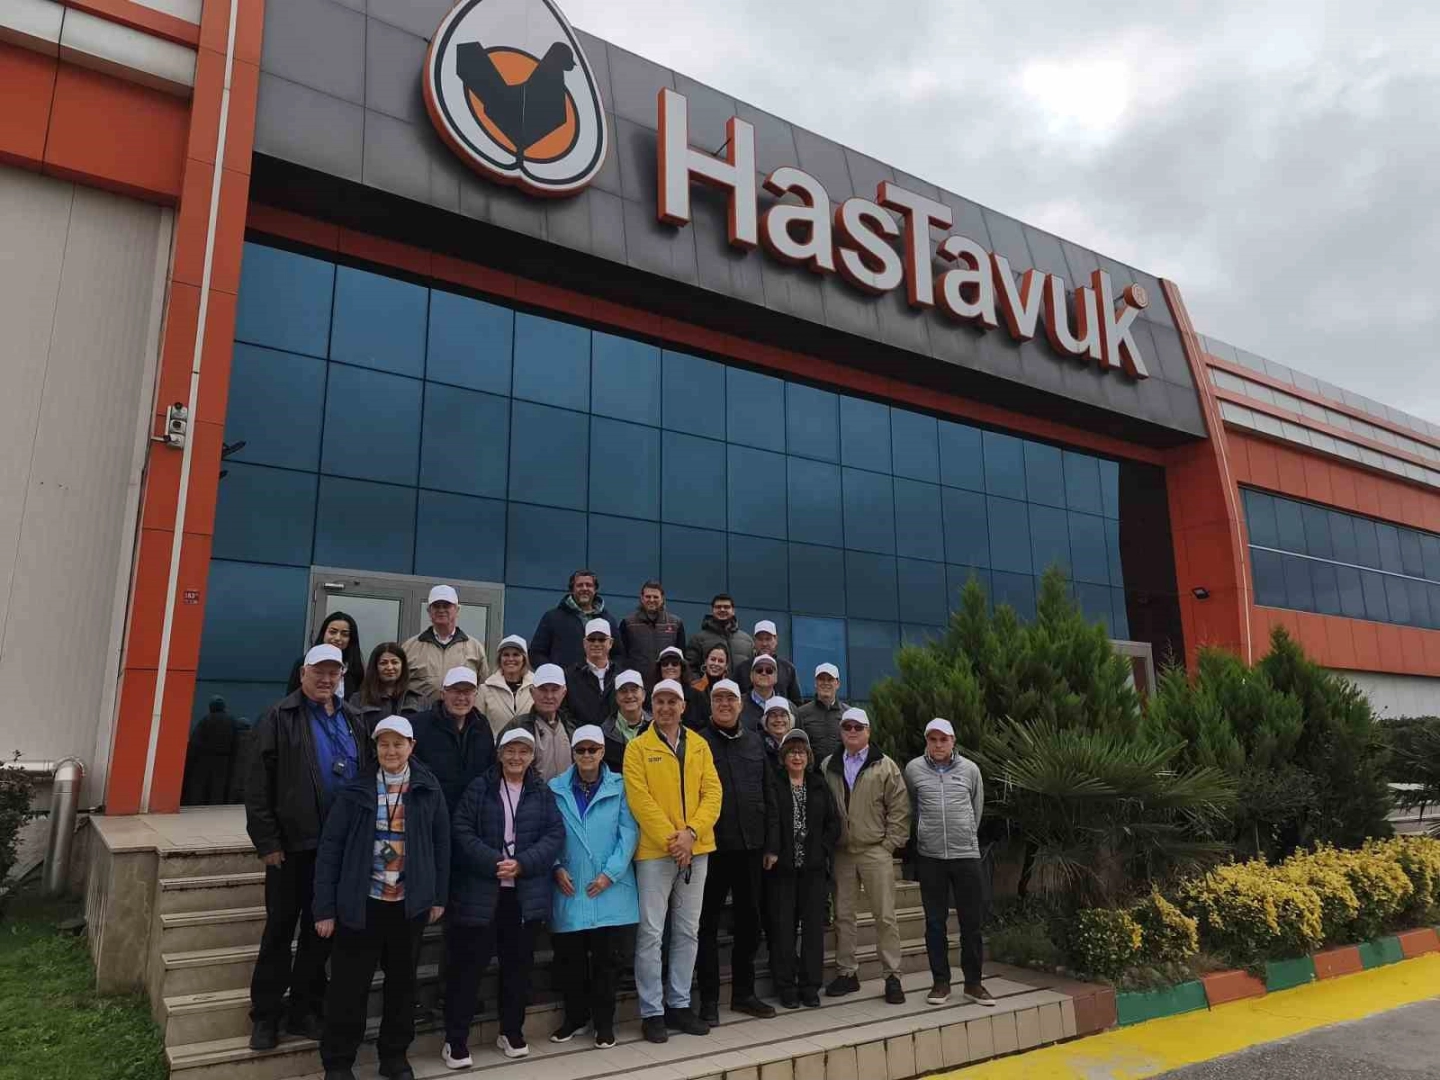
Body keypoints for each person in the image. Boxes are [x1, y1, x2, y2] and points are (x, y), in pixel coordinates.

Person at [244, 644, 370, 1050]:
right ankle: (266, 1014)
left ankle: (304, 1008)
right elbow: (257, 785)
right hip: (291, 846)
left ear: (342, 676)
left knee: (321, 934)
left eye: (334, 672)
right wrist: (267, 841)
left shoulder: (354, 718)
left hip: (337, 849)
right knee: (280, 930)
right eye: (319, 671)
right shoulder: (279, 717)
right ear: (303, 674)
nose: (326, 679)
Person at [313, 717, 449, 1080]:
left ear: (411, 747)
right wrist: (324, 908)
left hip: (407, 905)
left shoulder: (427, 788)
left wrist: (438, 896)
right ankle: (338, 1062)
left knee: (402, 986)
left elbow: (441, 844)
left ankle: (394, 1057)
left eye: (398, 744)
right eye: (384, 744)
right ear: (375, 748)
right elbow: (330, 849)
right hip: (362, 904)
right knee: (348, 988)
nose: (391, 751)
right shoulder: (356, 790)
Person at [443, 728, 565, 1065]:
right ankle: (456, 1039)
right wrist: (493, 861)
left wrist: (522, 863)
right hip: (483, 893)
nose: (516, 757)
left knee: (518, 968)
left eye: (523, 751)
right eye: (510, 750)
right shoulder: (479, 788)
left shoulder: (541, 791)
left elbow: (554, 834)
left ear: (532, 757)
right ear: (499, 754)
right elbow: (461, 829)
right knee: (469, 968)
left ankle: (511, 1030)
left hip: (523, 896)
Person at [622, 679, 723, 1043]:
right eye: (659, 701)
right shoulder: (637, 748)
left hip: (696, 849)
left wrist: (691, 833)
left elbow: (713, 793)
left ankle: (679, 1004)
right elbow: (640, 800)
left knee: (687, 931)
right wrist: (674, 840)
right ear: (652, 706)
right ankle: (652, 1011)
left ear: (683, 706)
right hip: (655, 853)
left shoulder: (699, 745)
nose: (665, 707)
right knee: (651, 933)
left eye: (672, 701)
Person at [547, 725, 640, 1050]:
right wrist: (555, 867)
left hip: (609, 888)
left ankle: (604, 1024)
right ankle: (575, 1018)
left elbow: (629, 833)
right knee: (570, 961)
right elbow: (546, 833)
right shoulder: (554, 788)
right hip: (570, 887)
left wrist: (610, 874)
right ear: (573, 753)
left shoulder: (621, 786)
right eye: (580, 750)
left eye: (593, 749)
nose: (587, 755)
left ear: (602, 752)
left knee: (606, 963)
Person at [696, 678, 776, 1023]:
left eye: (730, 698)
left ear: (741, 705)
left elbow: (769, 792)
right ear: (710, 704)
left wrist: (771, 844)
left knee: (749, 923)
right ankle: (708, 1001)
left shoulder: (755, 742)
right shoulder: (697, 741)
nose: (725, 704)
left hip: (750, 847)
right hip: (711, 848)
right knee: (707, 926)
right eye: (718, 698)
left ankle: (744, 995)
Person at [822, 707, 910, 1005]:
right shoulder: (828, 765)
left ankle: (892, 976)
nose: (852, 731)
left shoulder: (885, 766)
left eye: (858, 727)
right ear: (841, 731)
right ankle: (847, 972)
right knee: (843, 915)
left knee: (885, 916)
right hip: (843, 853)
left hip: (875, 850)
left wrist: (889, 844)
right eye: (847, 726)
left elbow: (899, 808)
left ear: (868, 731)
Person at [905, 718, 994, 1008]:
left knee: (971, 922)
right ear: (927, 742)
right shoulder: (913, 769)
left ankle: (973, 984)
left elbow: (976, 808)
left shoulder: (970, 770)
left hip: (965, 856)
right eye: (933, 739)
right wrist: (924, 836)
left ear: (953, 741)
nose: (938, 744)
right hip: (930, 858)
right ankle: (941, 983)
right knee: (934, 923)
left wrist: (965, 836)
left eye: (944, 739)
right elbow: (912, 808)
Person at [763, 728, 841, 1010]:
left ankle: (810, 986)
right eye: (792, 752)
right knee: (783, 929)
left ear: (808, 757)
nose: (797, 757)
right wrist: (771, 849)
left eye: (801, 752)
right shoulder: (773, 783)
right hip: (782, 869)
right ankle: (785, 986)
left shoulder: (819, 784)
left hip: (813, 870)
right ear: (783, 757)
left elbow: (834, 823)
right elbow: (768, 819)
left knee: (812, 931)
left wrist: (822, 849)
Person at [410, 667, 495, 814]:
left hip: (472, 814)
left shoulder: (482, 725)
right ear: (443, 694)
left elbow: (489, 769)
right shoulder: (418, 725)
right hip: (431, 813)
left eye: (467, 691)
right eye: (455, 691)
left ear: (475, 695)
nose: (461, 698)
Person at [403, 585, 489, 706]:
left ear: (457, 609)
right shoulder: (409, 647)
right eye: (436, 606)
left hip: (460, 715)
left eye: (446, 605)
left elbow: (483, 688)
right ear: (429, 611)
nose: (441, 610)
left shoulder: (475, 648)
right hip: (420, 715)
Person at [530, 569, 623, 671]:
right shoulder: (553, 617)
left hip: (599, 680)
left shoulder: (608, 620)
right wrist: (553, 674)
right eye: (579, 585)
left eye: (589, 585)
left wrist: (609, 674)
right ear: (572, 589)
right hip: (564, 680)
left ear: (595, 589)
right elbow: (536, 653)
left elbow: (619, 655)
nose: (584, 588)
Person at [505, 664, 575, 782]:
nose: (549, 696)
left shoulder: (570, 728)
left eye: (554, 690)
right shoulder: (517, 727)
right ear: (532, 692)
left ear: (563, 693)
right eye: (543, 689)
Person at [618, 580, 686, 690]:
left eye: (655, 597)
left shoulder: (675, 624)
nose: (651, 600)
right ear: (642, 598)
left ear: (662, 599)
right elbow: (621, 657)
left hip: (667, 686)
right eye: (648, 597)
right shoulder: (628, 623)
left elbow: (682, 658)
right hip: (637, 687)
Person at [287, 613, 365, 700]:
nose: (337, 638)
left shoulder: (355, 668)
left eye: (344, 634)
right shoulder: (304, 663)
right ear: (323, 633)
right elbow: (291, 699)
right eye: (333, 632)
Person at [350, 643, 425, 733]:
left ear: (403, 666)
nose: (389, 667)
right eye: (383, 663)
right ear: (375, 667)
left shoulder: (419, 699)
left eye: (395, 662)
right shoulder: (359, 699)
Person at [183, 695, 241, 806]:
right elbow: (236, 743)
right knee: (219, 785)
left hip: (205, 758)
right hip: (224, 760)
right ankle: (216, 805)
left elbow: (195, 742)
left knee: (203, 783)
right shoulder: (231, 721)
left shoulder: (205, 720)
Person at [478, 635, 534, 741]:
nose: (510, 659)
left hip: (529, 749)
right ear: (500, 659)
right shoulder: (485, 689)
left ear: (524, 659)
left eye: (516, 655)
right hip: (495, 749)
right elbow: (478, 726)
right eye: (506, 655)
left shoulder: (536, 687)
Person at [684, 594, 754, 676]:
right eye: (718, 607)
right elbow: (690, 669)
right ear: (712, 611)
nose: (722, 609)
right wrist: (700, 684)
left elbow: (753, 670)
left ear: (733, 611)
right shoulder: (698, 639)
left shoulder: (747, 641)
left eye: (726, 607)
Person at [566, 619, 618, 729]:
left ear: (611, 643)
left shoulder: (620, 674)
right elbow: (565, 714)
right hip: (582, 738)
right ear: (584, 643)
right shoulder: (569, 676)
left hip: (616, 737)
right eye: (591, 639)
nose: (596, 644)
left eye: (602, 639)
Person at [736, 621, 802, 703]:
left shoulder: (788, 668)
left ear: (776, 640)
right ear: (754, 641)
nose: (764, 644)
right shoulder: (742, 668)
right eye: (760, 639)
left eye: (768, 639)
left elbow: (796, 702)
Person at [795, 664, 847, 764]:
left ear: (838, 684)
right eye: (821, 679)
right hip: (811, 772)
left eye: (830, 679)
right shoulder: (801, 713)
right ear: (815, 683)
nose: (825, 683)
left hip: (841, 772)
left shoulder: (847, 714)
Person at [602, 670, 650, 773]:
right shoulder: (604, 733)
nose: (629, 695)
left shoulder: (657, 726)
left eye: (634, 690)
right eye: (623, 691)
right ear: (616, 697)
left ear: (643, 695)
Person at [653, 646, 707, 731]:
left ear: (682, 667)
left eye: (675, 663)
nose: (669, 667)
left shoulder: (697, 696)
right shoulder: (652, 695)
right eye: (665, 664)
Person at [741, 654, 780, 731]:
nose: (764, 673)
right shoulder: (737, 704)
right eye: (759, 670)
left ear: (776, 678)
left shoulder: (789, 707)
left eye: (769, 671)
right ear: (751, 676)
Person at [760, 697, 795, 773]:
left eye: (783, 715)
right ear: (765, 721)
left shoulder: (798, 743)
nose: (779, 720)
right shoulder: (756, 745)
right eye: (773, 715)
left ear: (790, 720)